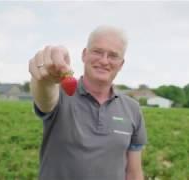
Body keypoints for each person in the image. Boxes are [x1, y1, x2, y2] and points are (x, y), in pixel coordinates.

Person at [28, 25, 147, 180]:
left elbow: (134, 173)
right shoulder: (61, 94)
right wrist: (46, 79)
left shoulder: (132, 109)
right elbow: (46, 95)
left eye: (113, 55)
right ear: (84, 54)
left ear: (121, 64)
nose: (104, 60)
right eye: (97, 51)